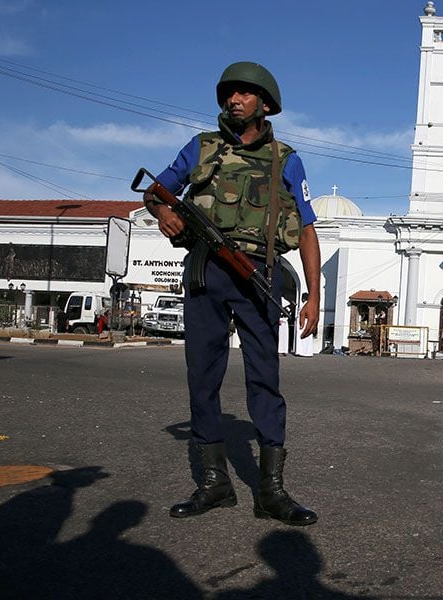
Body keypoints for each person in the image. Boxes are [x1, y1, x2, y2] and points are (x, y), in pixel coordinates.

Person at [143, 62, 321, 526]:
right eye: (229, 94)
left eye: (244, 94)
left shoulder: (286, 158)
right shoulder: (201, 148)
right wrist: (163, 213)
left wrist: (314, 296)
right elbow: (157, 191)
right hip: (206, 270)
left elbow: (306, 229)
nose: (233, 100)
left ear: (265, 104)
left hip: (257, 273)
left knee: (265, 378)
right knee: (203, 375)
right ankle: (213, 484)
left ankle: (272, 491)